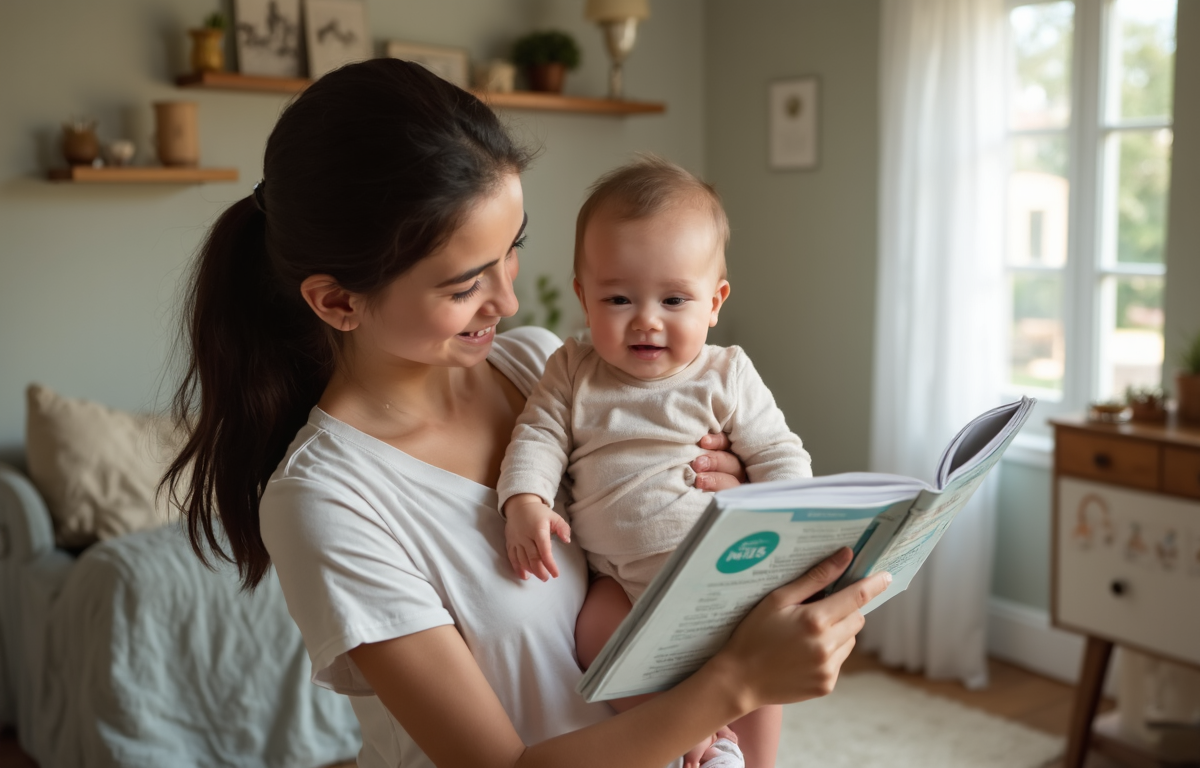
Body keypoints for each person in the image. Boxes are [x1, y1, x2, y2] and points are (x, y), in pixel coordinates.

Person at [163, 58, 890, 768]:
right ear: (338, 301)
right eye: (464, 286)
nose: (508, 301)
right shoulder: (326, 499)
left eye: (513, 249)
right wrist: (738, 682)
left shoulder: (541, 363)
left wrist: (733, 499)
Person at [498, 156, 813, 768]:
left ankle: (750, 758)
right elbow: (537, 436)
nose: (646, 319)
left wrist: (794, 522)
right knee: (593, 637)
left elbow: (779, 453)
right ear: (583, 297)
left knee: (760, 660)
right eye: (618, 298)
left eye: (673, 299)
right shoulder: (571, 370)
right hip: (621, 582)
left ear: (714, 302)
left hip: (724, 578)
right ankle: (691, 735)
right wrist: (525, 502)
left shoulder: (726, 374)